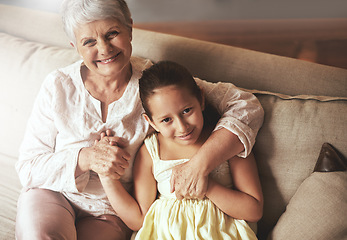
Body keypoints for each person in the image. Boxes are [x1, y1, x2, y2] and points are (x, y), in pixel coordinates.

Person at [15, 0, 264, 239]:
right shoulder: (58, 85)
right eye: (89, 41)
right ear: (74, 46)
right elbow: (27, 167)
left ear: (130, 28)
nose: (104, 49)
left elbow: (246, 106)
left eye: (112, 33)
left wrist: (199, 165)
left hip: (110, 212)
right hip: (53, 194)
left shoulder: (155, 86)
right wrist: (87, 157)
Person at [100, 61, 263, 239]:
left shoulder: (227, 141)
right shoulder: (151, 151)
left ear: (201, 99)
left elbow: (254, 210)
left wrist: (207, 187)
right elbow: (139, 220)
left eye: (186, 110)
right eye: (166, 120)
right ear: (151, 122)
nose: (182, 127)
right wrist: (106, 177)